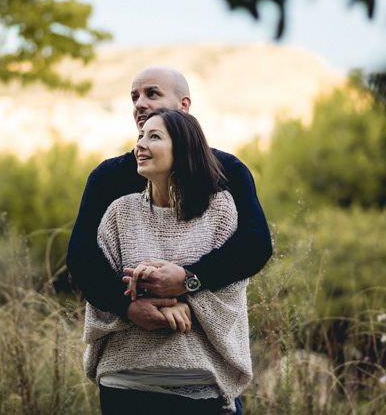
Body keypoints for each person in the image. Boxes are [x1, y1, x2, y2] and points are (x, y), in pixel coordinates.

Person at [67, 66, 271, 332]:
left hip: (203, 355)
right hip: (127, 352)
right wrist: (126, 306)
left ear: (183, 105)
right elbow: (81, 255)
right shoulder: (108, 177)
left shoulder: (226, 170)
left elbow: (255, 245)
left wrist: (190, 280)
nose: (140, 104)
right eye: (134, 97)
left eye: (152, 94)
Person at [83, 108, 251, 414]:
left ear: (185, 148)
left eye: (154, 136)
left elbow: (233, 290)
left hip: (199, 388)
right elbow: (98, 291)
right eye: (140, 136)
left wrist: (189, 301)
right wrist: (134, 304)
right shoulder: (119, 213)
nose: (140, 145)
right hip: (123, 383)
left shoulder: (220, 211)